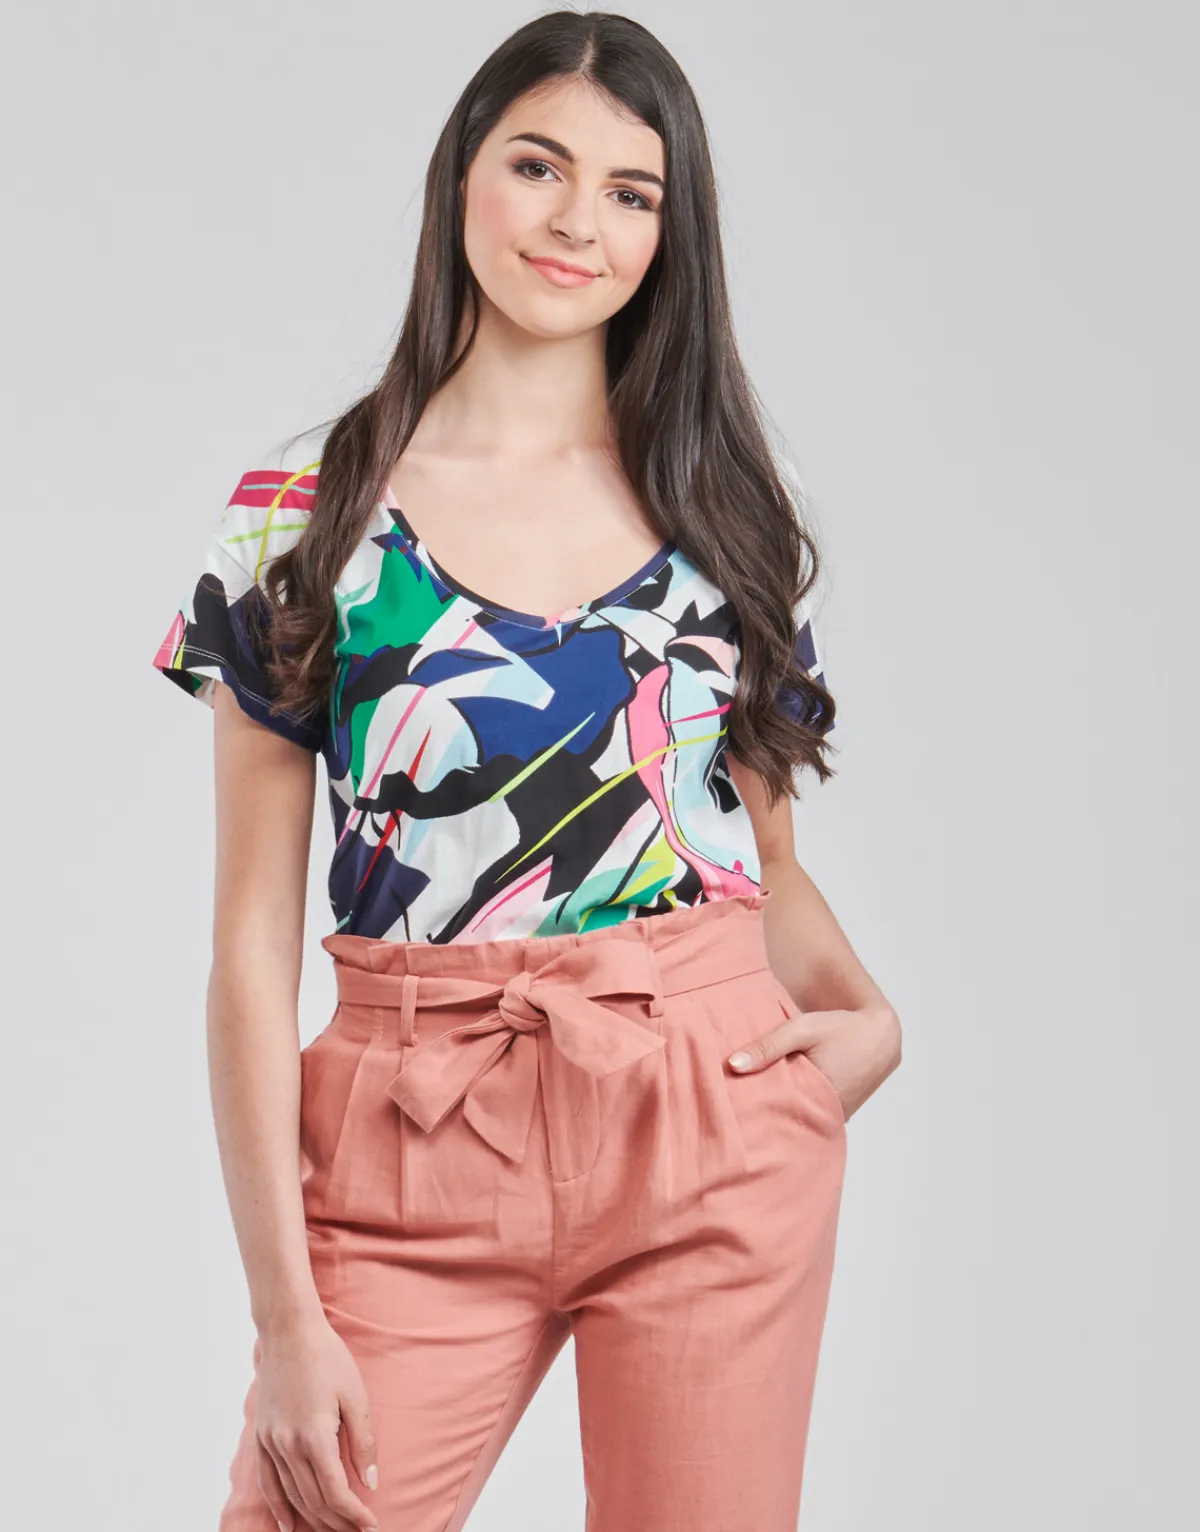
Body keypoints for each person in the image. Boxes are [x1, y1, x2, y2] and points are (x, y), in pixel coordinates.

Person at [151, 11, 901, 1531]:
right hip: (410, 1141)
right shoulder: (302, 517)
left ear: (670, 236)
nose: (579, 223)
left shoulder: (726, 516)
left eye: (632, 192)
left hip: (705, 1127)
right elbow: (248, 948)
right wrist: (286, 1320)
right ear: (463, 179)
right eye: (540, 166)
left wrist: (867, 1017)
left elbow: (763, 860)